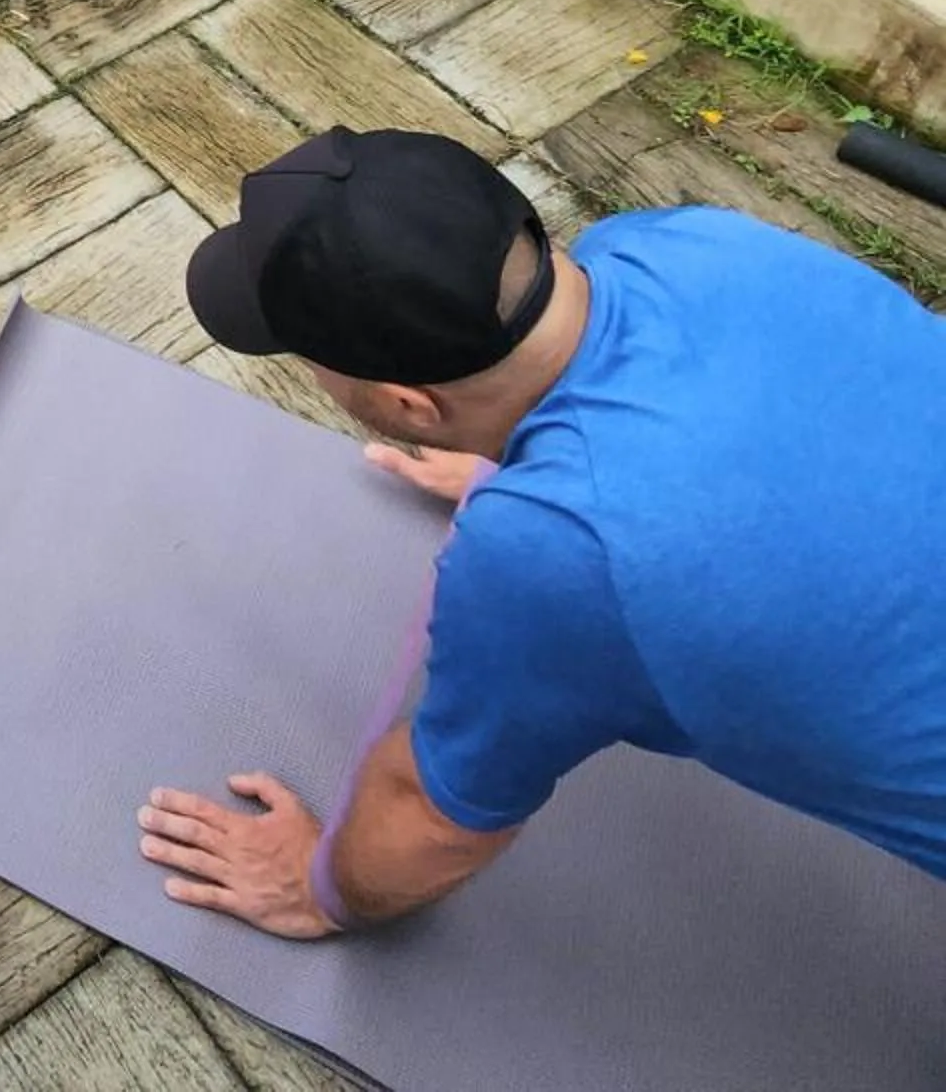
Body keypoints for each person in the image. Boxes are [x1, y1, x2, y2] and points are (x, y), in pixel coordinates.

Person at [136, 127, 946, 937]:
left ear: (411, 405)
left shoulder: (551, 557)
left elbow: (432, 819)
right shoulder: (682, 241)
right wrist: (524, 463)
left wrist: (320, 889)